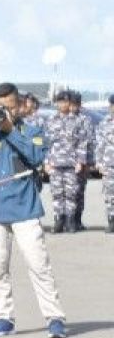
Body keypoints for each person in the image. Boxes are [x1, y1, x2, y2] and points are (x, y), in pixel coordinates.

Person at [0, 83, 67, 338]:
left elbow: (35, 155)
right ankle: (4, 317)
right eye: (1, 109)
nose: (5, 113)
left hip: (25, 207)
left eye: (10, 107)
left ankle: (54, 317)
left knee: (38, 264)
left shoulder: (33, 130)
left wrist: (10, 131)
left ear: (19, 106)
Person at [44, 90, 83, 233]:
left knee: (71, 193)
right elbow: (46, 143)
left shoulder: (77, 121)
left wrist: (80, 161)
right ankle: (58, 221)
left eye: (66, 102)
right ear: (56, 103)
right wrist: (46, 162)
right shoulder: (50, 120)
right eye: (60, 102)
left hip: (72, 164)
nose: (63, 104)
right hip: (55, 163)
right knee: (57, 193)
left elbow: (82, 143)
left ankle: (70, 221)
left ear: (69, 103)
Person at [70, 90, 93, 230]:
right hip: (66, 162)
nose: (72, 107)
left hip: (81, 162)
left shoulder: (85, 120)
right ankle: (68, 220)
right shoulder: (63, 119)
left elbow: (89, 141)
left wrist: (86, 162)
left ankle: (77, 220)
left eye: (75, 104)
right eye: (71, 104)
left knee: (79, 191)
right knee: (68, 193)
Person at [97, 95, 114, 233]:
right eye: (111, 105)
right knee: (110, 195)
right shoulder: (104, 123)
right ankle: (112, 220)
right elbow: (100, 144)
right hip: (109, 164)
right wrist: (99, 162)